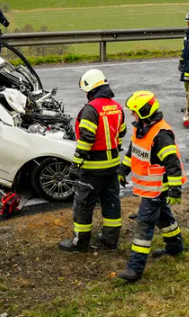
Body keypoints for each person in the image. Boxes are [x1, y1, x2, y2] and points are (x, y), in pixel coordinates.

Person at [117, 91, 185, 283]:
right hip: (150, 188)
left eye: (134, 112)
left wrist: (174, 191)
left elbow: (173, 165)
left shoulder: (162, 135)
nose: (132, 115)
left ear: (144, 112)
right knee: (163, 216)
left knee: (144, 225)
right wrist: (123, 170)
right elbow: (133, 152)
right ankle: (175, 246)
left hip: (157, 188)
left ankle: (135, 268)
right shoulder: (141, 129)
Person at [59, 69, 126, 252]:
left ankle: (80, 243)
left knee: (83, 205)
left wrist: (76, 164)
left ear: (90, 89)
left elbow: (86, 140)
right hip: (112, 166)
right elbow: (120, 134)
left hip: (92, 168)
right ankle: (110, 239)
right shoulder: (117, 107)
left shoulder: (90, 109)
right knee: (111, 202)